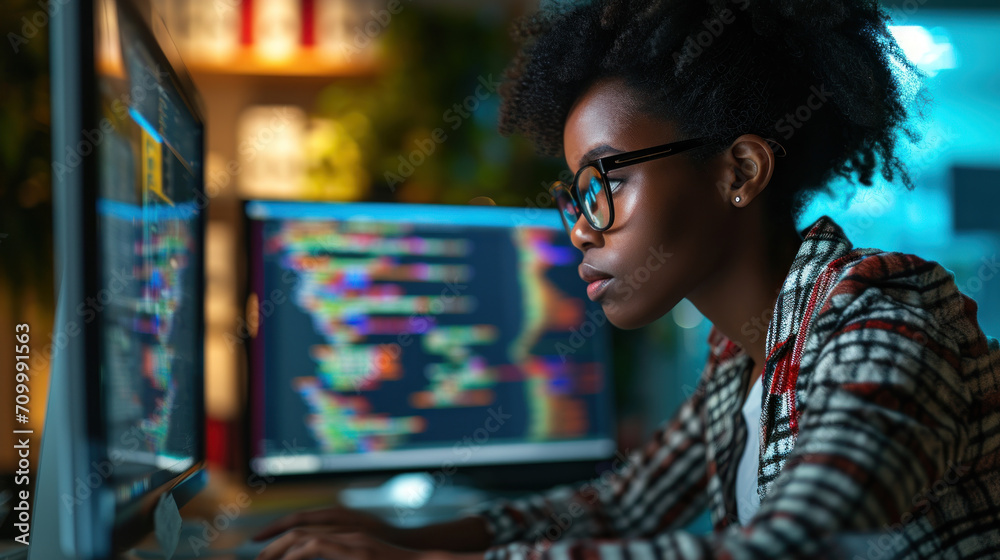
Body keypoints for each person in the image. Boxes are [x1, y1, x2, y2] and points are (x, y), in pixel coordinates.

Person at [253, 0, 1000, 558]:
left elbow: (787, 547)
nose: (579, 227)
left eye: (600, 182)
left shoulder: (886, 326)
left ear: (739, 171)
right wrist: (402, 536)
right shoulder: (742, 359)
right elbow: (623, 505)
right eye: (572, 198)